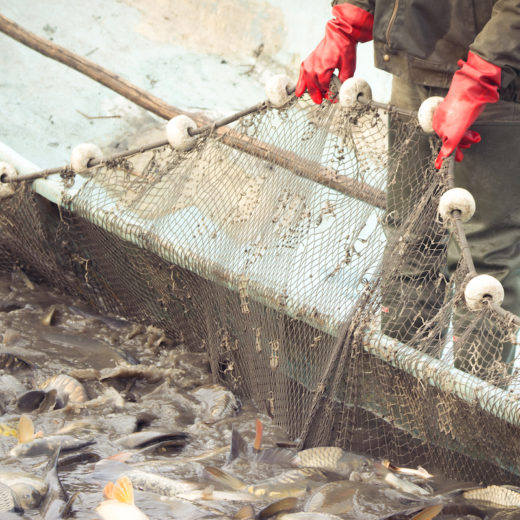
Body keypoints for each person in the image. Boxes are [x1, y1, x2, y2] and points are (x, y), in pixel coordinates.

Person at [295, 1, 520, 379]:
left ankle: (475, 416)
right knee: (410, 241)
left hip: (500, 79)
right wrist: (348, 21)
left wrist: (483, 73)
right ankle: (403, 397)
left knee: (483, 261)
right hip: (415, 58)